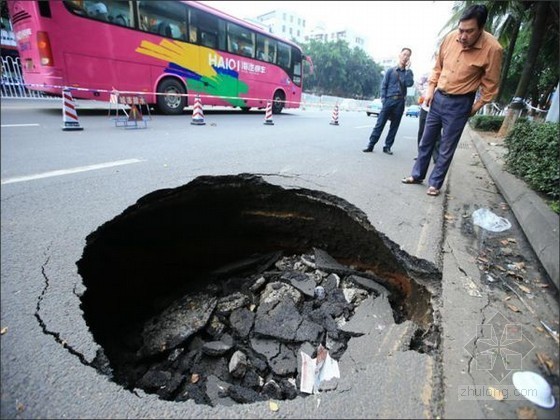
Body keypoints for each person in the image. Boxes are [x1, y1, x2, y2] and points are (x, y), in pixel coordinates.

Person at [401, 4, 503, 196]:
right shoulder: (450, 38)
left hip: (461, 103)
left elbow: (490, 86)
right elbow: (438, 67)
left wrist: (474, 107)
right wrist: (431, 90)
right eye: (461, 30)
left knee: (447, 146)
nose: (462, 36)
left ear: (481, 28)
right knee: (426, 140)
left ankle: (435, 183)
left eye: (469, 31)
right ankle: (417, 175)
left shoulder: (493, 49)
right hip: (438, 97)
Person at [363, 47, 414, 155]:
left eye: (408, 55)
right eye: (404, 54)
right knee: (380, 123)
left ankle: (387, 147)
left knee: (394, 126)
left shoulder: (408, 73)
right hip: (389, 100)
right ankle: (371, 144)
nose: (405, 57)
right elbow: (384, 85)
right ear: (400, 55)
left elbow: (409, 84)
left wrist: (408, 70)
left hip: (400, 102)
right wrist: (383, 99)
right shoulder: (391, 71)